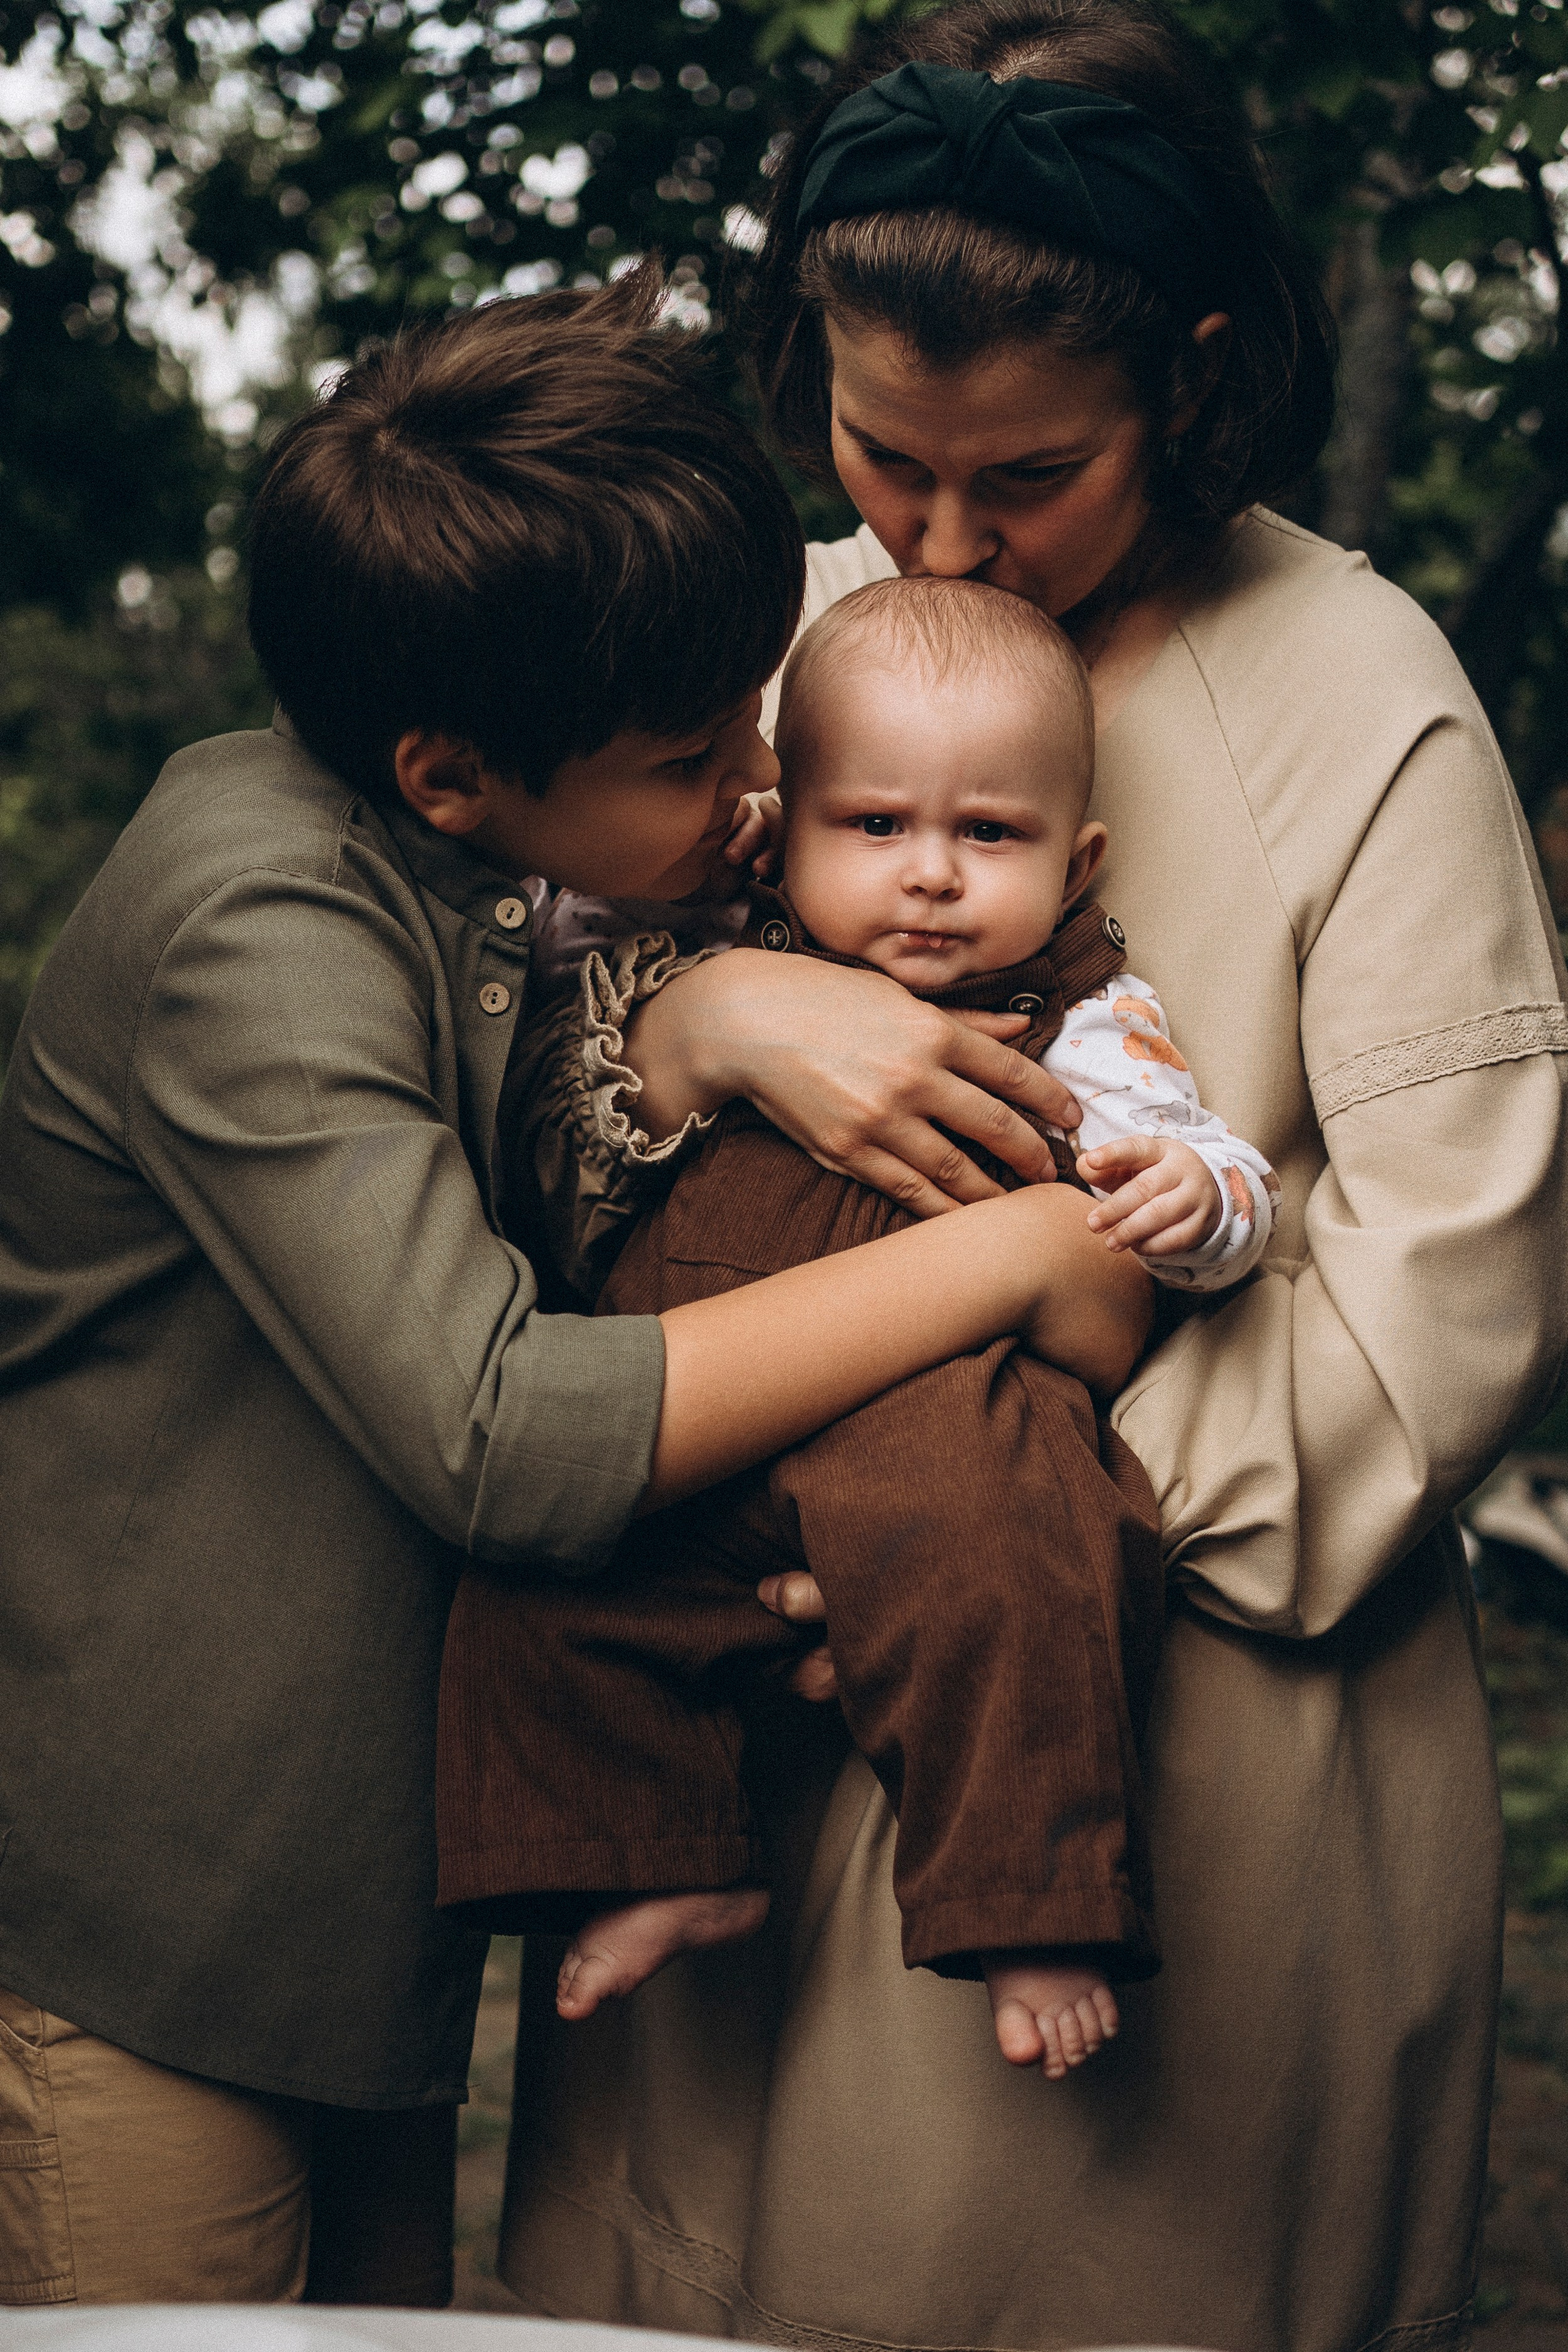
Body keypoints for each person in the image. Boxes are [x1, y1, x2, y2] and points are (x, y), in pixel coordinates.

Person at [494, 8, 1568, 2351]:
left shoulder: (1362, 688)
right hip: (743, 1745)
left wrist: (951, 1510)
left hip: (1183, 1719)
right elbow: (520, 1093)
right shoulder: (763, 637)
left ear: (1192, 378)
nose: (944, 540)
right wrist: (704, 1021)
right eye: (886, 453)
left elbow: (1450, 1294)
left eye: (1032, 479)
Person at [0, 275, 1152, 2309]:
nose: (749, 794)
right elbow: (510, 1435)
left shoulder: (478, 872)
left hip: (347, 1915)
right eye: (695, 751)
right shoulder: (253, 918)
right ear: (451, 773)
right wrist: (1021, 1248)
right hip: (151, 1921)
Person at [437, 575, 1278, 2082]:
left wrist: (1191, 1198)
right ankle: (665, 1853)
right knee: (534, 1588)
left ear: (1074, 857)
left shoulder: (1089, 1015)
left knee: (1016, 1564)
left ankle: (1032, 1894)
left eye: (992, 835)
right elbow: (561, 999)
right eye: (875, 826)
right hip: (700, 1394)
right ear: (780, 821)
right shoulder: (708, 942)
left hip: (932, 1410)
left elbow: (1212, 1167)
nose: (932, 877)